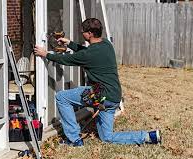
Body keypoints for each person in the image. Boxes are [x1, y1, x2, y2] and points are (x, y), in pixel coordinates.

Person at [34, 18, 161, 147]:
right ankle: (148, 136)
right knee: (107, 137)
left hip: (100, 95)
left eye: (83, 31)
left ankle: (74, 139)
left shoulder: (89, 54)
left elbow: (67, 59)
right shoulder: (106, 44)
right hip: (114, 97)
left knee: (62, 97)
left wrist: (46, 54)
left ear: (89, 33)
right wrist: (70, 43)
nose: (82, 33)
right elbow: (86, 52)